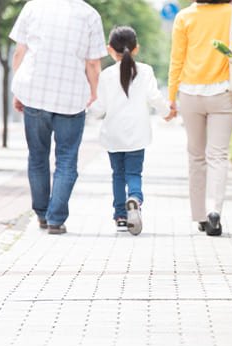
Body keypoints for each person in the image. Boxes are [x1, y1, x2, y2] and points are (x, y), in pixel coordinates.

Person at [10, 0, 107, 235]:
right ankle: (55, 219)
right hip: (71, 99)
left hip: (34, 93)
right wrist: (95, 93)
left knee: (37, 157)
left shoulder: (33, 6)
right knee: (66, 159)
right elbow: (93, 63)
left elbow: (20, 51)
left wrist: (18, 88)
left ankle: (42, 214)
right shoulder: (90, 15)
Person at [168, 0, 232, 236]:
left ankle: (200, 215)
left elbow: (177, 59)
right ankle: (214, 210)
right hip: (223, 93)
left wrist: (171, 96)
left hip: (190, 93)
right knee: (218, 155)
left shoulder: (185, 17)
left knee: (196, 156)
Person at [88, 26, 172, 236]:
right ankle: (134, 197)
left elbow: (100, 107)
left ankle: (120, 216)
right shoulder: (145, 71)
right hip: (137, 133)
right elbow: (154, 98)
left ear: (110, 49)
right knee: (134, 173)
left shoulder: (107, 75)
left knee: (118, 174)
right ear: (136, 49)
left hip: (113, 134)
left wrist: (88, 114)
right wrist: (166, 112)